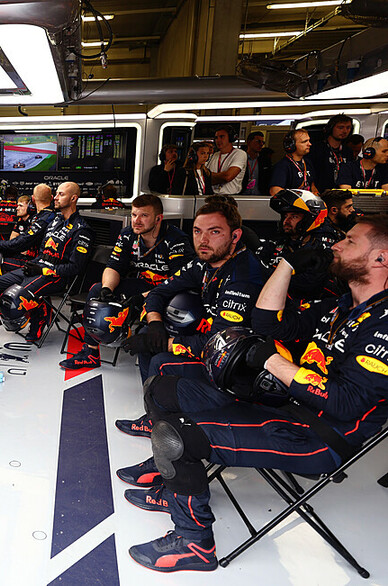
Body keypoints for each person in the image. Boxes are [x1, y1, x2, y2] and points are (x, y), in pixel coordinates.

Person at [122, 216, 388, 573]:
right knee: (163, 387)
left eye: (350, 241)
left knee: (176, 439)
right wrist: (287, 264)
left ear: (381, 258)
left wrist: (271, 361)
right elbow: (265, 322)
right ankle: (174, 489)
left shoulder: (384, 323)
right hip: (281, 402)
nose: (336, 245)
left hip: (318, 436)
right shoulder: (339, 307)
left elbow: (346, 403)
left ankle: (194, 542)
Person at [119, 201, 265, 392]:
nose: (203, 240)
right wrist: (155, 324)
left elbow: (221, 343)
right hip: (213, 334)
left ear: (235, 236)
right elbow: (159, 291)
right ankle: (154, 402)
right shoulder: (204, 262)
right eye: (197, 231)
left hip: (239, 359)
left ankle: (163, 407)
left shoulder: (243, 277)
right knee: (148, 333)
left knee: (161, 360)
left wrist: (162, 344)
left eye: (214, 232)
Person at [61, 194, 194, 370]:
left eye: (144, 216)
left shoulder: (176, 239)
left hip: (170, 293)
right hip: (143, 285)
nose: (136, 221)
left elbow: (178, 282)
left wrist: (143, 297)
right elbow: (113, 266)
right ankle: (90, 353)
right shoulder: (127, 234)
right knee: (97, 290)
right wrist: (107, 289)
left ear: (158, 219)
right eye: (134, 215)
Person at [0, 182, 94, 344]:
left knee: (17, 295)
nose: (55, 197)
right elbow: (42, 251)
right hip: (37, 268)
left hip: (56, 277)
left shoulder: (82, 229)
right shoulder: (54, 221)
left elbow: (75, 267)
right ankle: (9, 312)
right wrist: (33, 265)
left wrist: (42, 270)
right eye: (56, 193)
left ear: (73, 198)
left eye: (61, 194)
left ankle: (39, 319)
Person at [256, 190, 344, 302]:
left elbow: (308, 285)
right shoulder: (276, 242)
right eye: (285, 216)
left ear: (310, 218)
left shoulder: (326, 247)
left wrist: (271, 274)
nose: (286, 221)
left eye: (294, 216)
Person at [0, 184, 55, 272]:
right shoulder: (42, 216)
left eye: (20, 206)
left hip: (35, 263)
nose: (17, 208)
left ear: (33, 199)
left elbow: (21, 242)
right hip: (34, 260)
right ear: (52, 198)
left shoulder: (44, 219)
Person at [309, 113, 355, 192]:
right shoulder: (316, 149)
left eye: (348, 128)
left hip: (342, 193)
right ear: (331, 128)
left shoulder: (348, 151)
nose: (345, 131)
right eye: (340, 127)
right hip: (321, 192)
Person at [269, 129, 318, 196]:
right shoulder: (282, 166)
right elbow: (274, 190)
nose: (309, 144)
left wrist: (316, 194)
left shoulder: (308, 163)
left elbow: (312, 185)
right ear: (291, 145)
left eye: (309, 140)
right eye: (304, 142)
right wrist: (296, 198)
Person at [206, 127, 247, 195]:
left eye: (222, 137)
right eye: (216, 138)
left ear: (230, 138)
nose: (218, 140)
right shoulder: (213, 156)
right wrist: (220, 177)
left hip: (230, 197)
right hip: (212, 196)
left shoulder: (239, 153)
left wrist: (210, 176)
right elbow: (203, 178)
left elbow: (228, 177)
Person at [242, 131, 272, 195]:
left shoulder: (264, 160)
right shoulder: (241, 158)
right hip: (242, 194)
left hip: (259, 195)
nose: (261, 144)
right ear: (249, 142)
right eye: (258, 141)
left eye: (263, 142)